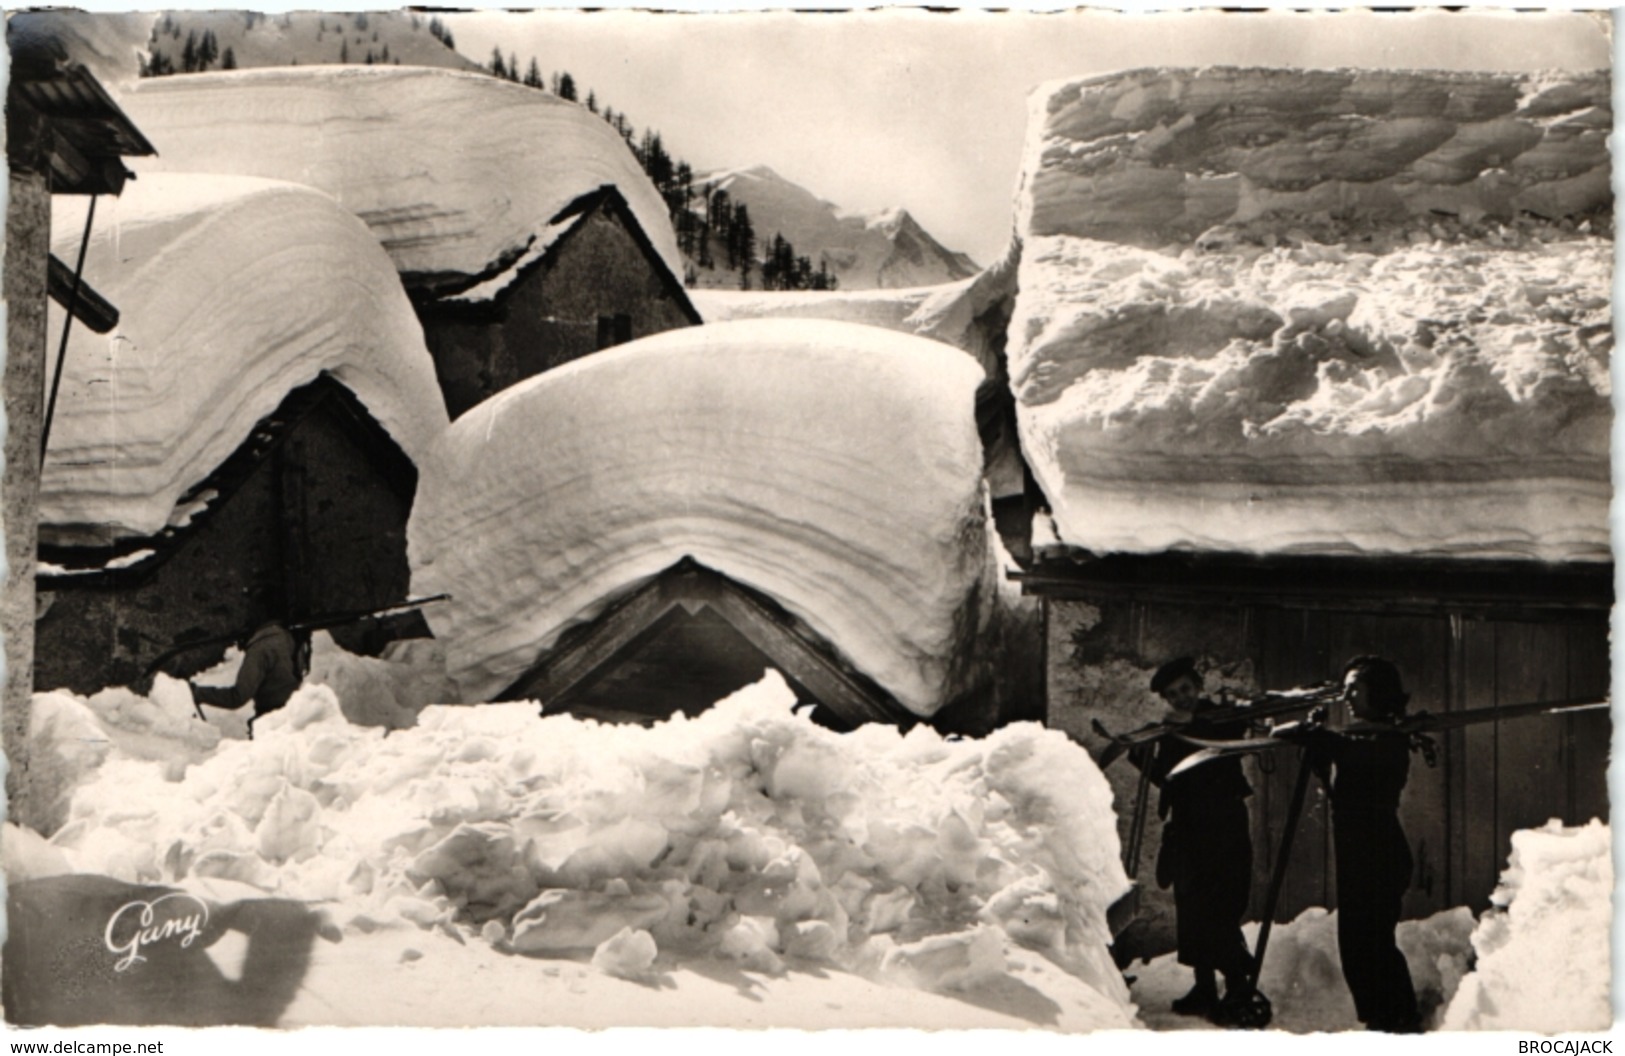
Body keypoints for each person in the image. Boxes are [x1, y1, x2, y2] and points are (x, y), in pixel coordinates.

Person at [1130, 657, 1257, 1021]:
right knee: (1192, 907)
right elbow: (1170, 779)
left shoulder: (1220, 719)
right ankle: (1204, 988)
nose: (1181, 698)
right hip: (1187, 828)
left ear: (1198, 686)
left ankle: (1237, 987)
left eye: (1185, 689)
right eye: (1172, 695)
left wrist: (1189, 725)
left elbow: (1228, 744)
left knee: (1221, 905)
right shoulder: (1170, 731)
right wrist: (1142, 759)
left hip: (1224, 826)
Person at [1307, 655, 1423, 1034]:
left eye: (1354, 688)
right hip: (1357, 857)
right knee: (1357, 945)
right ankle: (1383, 1019)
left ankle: (1400, 1022)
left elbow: (1360, 756)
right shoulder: (1361, 736)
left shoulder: (1391, 738)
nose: (1347, 696)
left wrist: (1327, 741)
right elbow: (1340, 776)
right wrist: (1319, 752)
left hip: (1381, 856)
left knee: (1373, 944)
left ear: (1379, 692)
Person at [189, 599, 305, 740]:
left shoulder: (260, 650)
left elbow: (237, 697)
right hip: (294, 719)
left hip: (271, 726)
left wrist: (197, 693)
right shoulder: (287, 637)